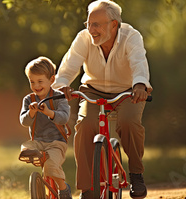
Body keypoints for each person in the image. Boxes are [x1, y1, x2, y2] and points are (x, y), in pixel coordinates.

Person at [52, 0, 153, 198]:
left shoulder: (131, 37)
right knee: (85, 126)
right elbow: (68, 66)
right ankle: (87, 189)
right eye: (89, 24)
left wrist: (140, 84)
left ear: (114, 24)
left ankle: (136, 174)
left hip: (128, 92)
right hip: (93, 90)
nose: (91, 29)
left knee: (128, 122)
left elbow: (138, 62)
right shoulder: (84, 38)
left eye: (97, 24)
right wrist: (61, 85)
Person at [19, 56, 72, 199]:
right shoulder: (29, 99)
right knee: (26, 146)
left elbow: (64, 118)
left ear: (52, 80)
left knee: (50, 165)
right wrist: (31, 112)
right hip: (38, 141)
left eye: (40, 81)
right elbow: (24, 121)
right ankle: (33, 155)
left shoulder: (59, 97)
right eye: (32, 82)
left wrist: (48, 112)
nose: (36, 86)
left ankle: (63, 189)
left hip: (56, 142)